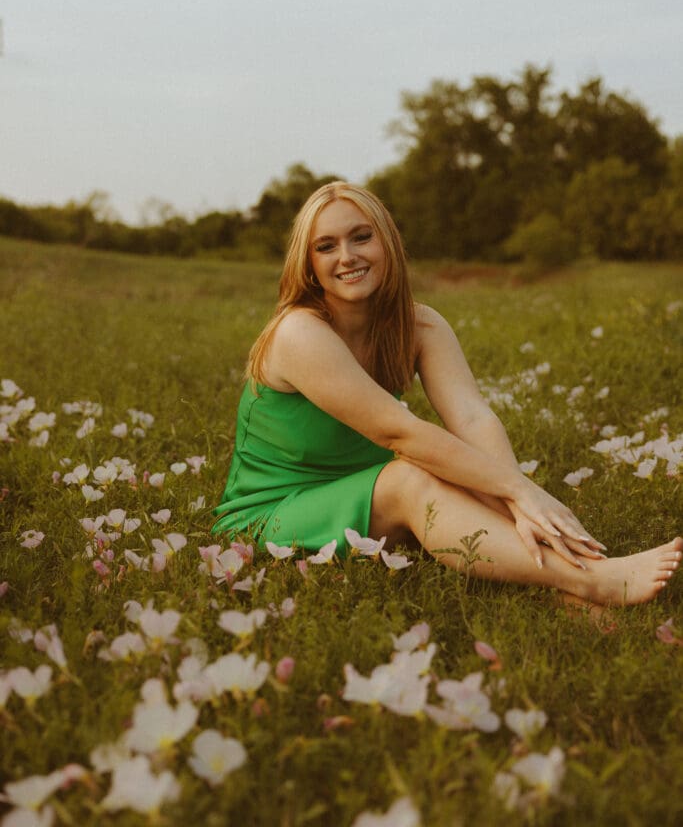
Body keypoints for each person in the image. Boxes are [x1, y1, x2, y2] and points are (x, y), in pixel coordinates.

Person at [214, 182, 681, 606]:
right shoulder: (299, 333)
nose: (347, 256)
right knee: (415, 476)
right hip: (274, 515)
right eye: (326, 246)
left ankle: (569, 582)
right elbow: (399, 433)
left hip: (366, 490)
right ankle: (592, 580)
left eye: (361, 237)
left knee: (470, 473)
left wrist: (518, 502)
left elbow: (473, 418)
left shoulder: (419, 324)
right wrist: (520, 488)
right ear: (309, 264)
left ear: (387, 241)